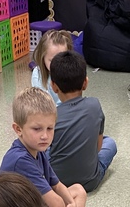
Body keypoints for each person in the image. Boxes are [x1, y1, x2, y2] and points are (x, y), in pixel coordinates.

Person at [0, 87, 93, 207]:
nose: (45, 136)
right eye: (37, 129)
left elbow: (56, 184)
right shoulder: (20, 160)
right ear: (18, 129)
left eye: (50, 128)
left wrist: (71, 204)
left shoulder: (37, 150)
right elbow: (56, 205)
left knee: (78, 190)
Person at [48, 50, 117, 192]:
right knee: (110, 143)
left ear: (54, 86)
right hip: (90, 182)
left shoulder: (51, 116)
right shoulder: (95, 105)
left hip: (56, 184)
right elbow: (97, 148)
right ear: (85, 82)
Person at [31, 29, 74, 106]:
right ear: (42, 58)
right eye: (52, 61)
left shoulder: (71, 71)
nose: (58, 65)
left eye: (62, 59)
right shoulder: (37, 74)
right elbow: (43, 104)